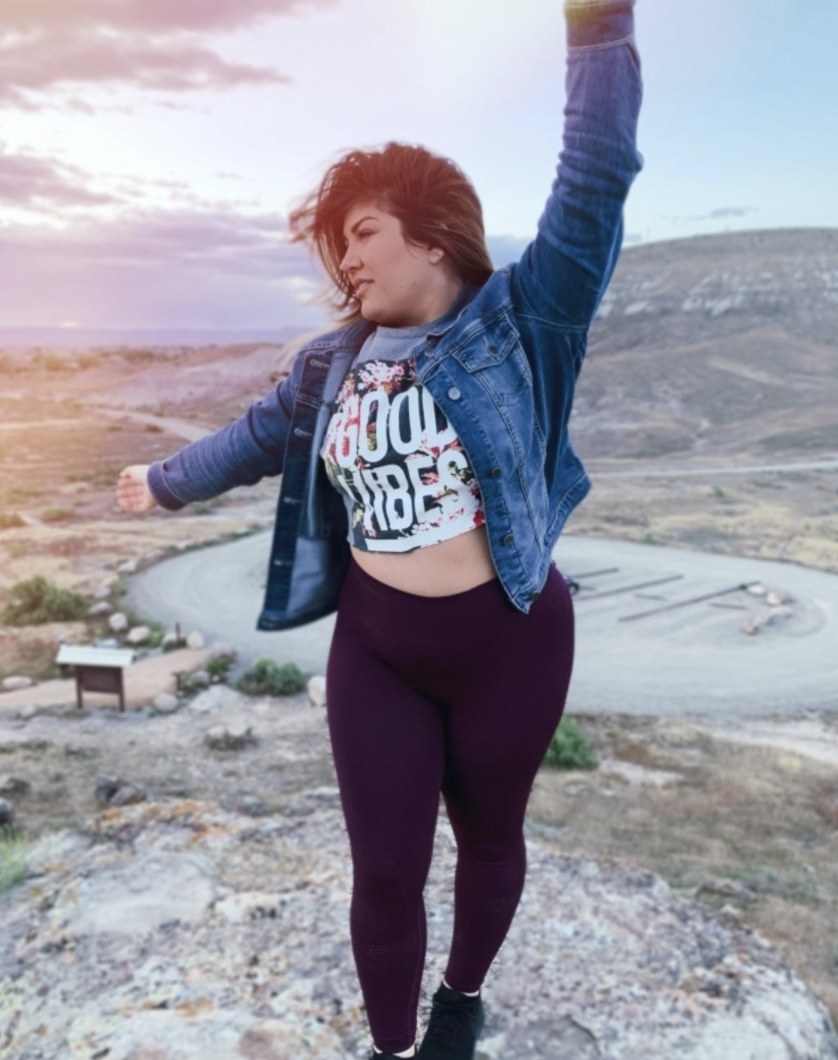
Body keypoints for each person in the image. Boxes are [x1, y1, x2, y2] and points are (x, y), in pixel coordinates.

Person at [116, 1, 642, 1055]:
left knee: (489, 837)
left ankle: (460, 1000)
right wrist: (165, 483)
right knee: (387, 868)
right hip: (381, 650)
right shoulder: (330, 364)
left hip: (509, 642)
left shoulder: (526, 320)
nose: (344, 262)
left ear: (433, 233)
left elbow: (593, 178)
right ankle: (393, 1045)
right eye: (335, 245)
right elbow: (254, 437)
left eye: (361, 233)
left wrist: (597, 30)